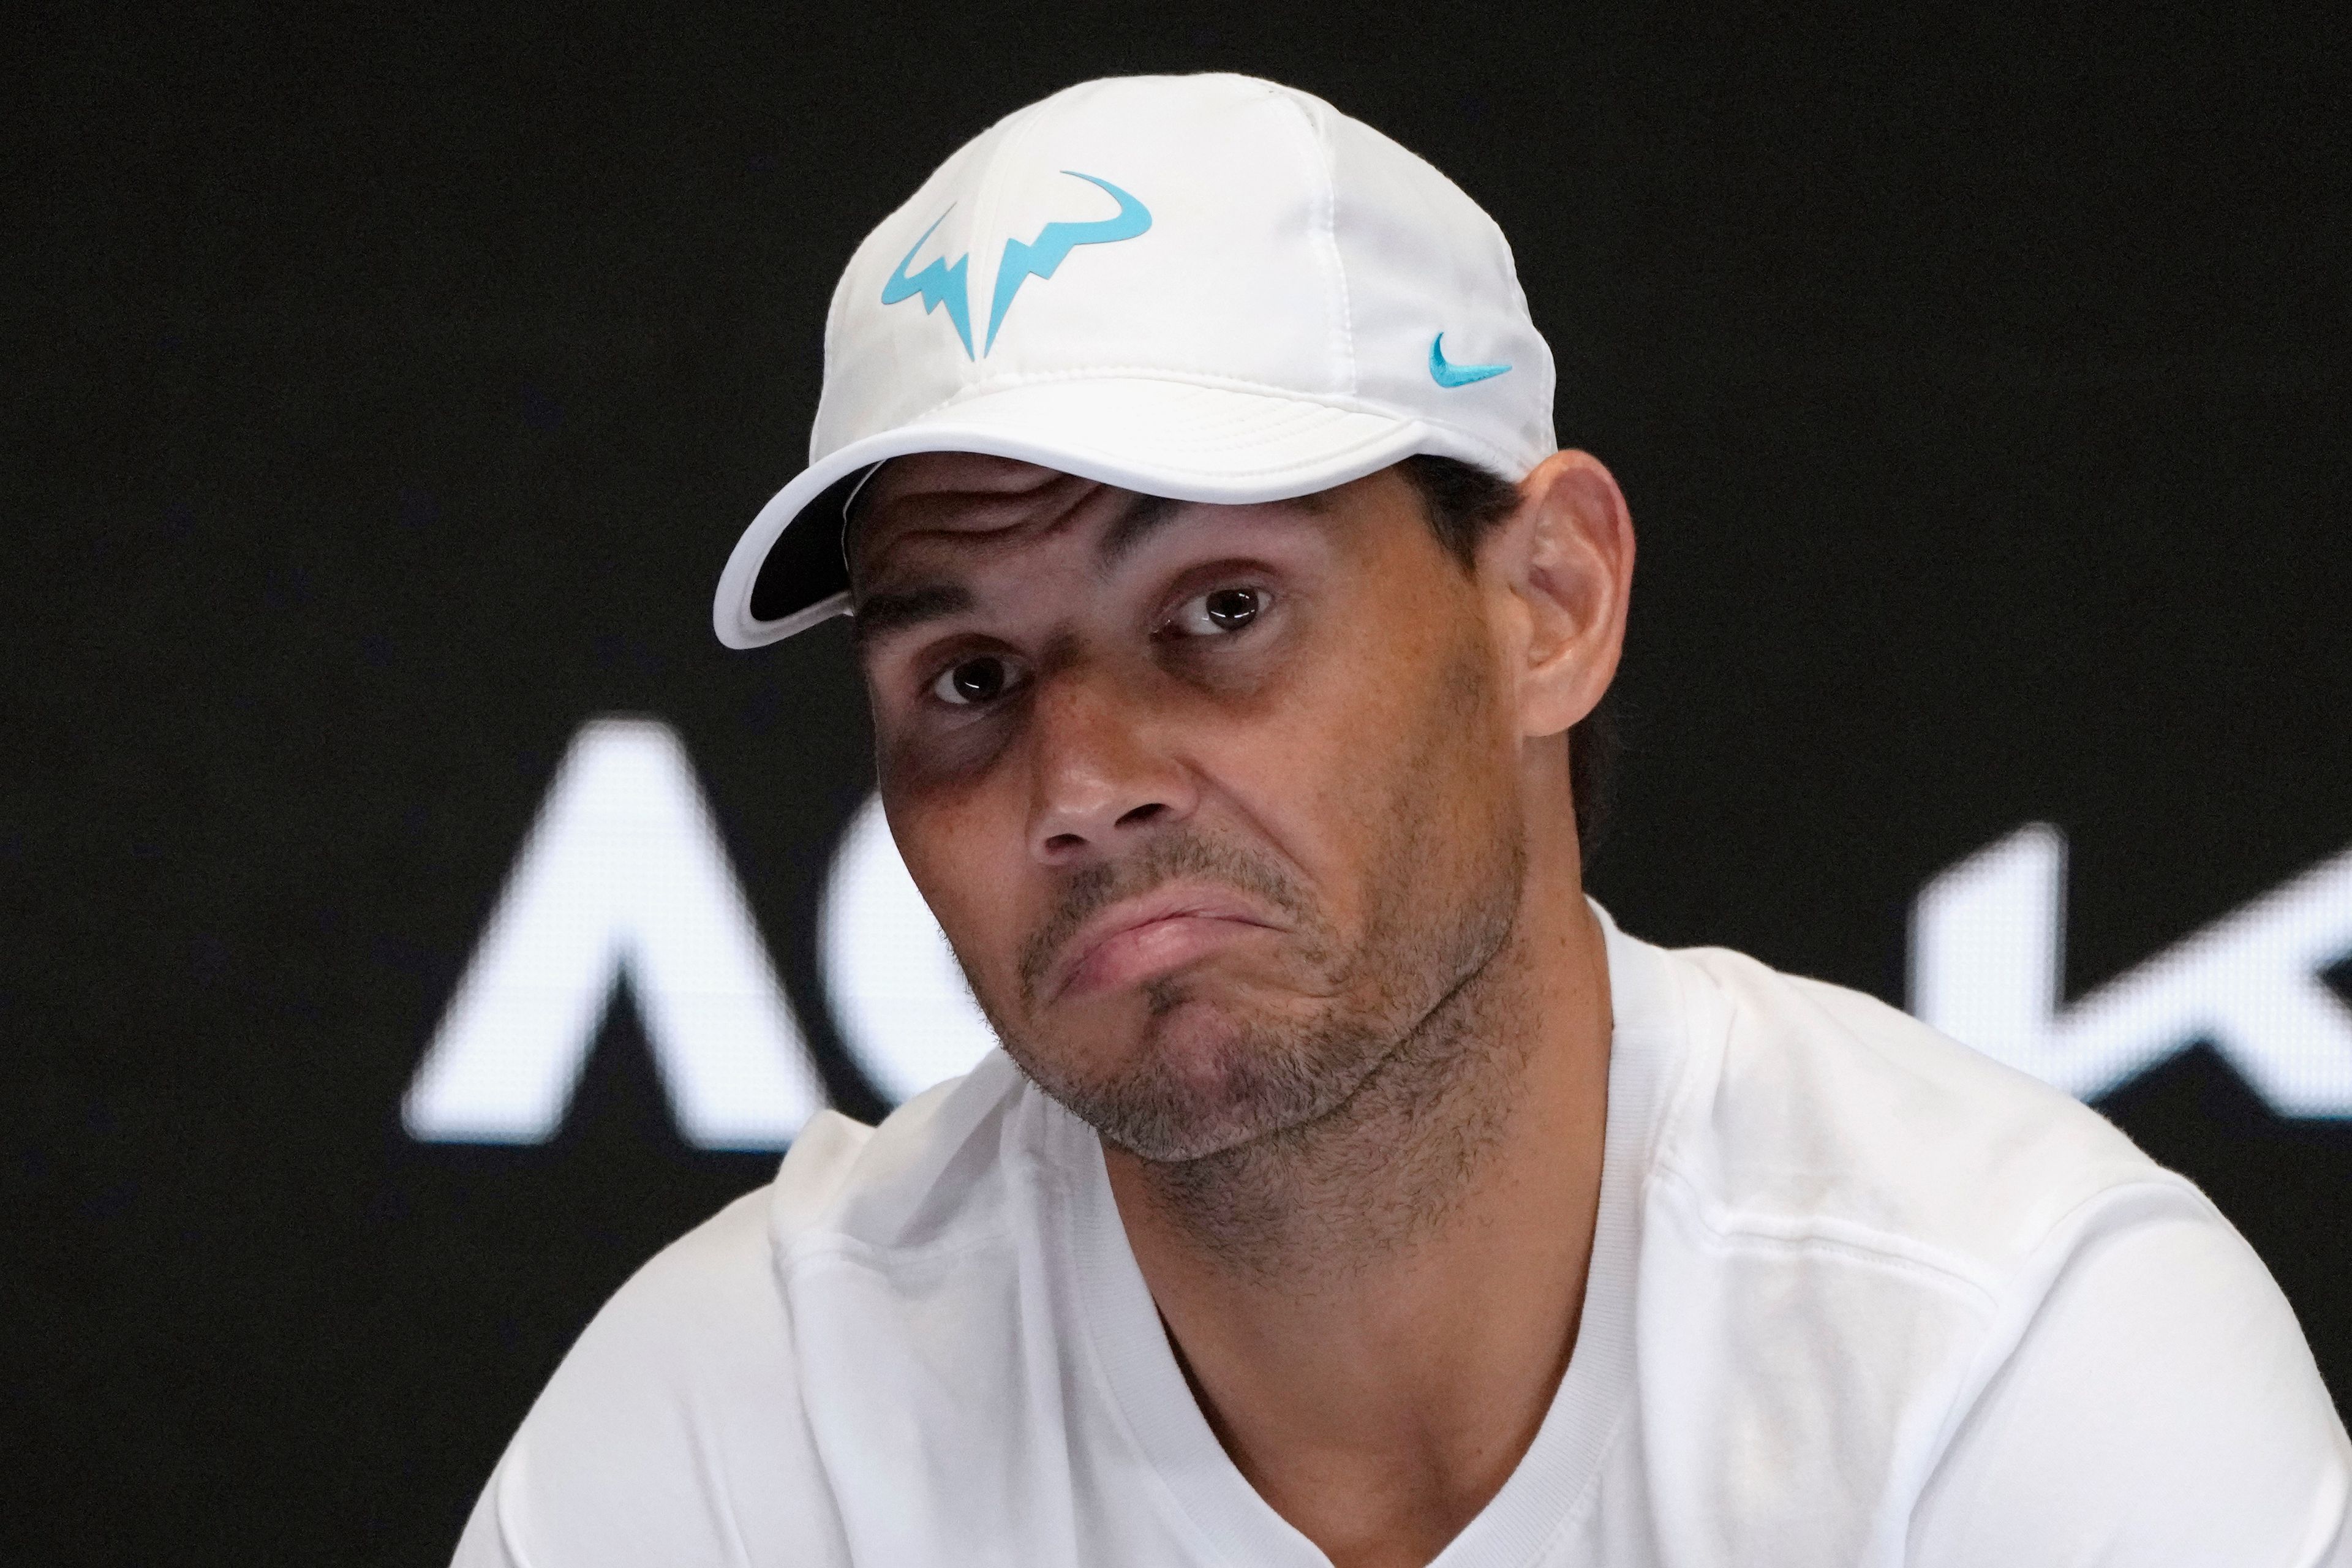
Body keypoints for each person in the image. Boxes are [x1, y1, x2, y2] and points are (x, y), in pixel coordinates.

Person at [451, 73, 2350, 1567]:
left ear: (1550, 605)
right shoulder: (738, 1425)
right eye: (969, 680)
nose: (1085, 778)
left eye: (1219, 612)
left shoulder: (2014, 1364)